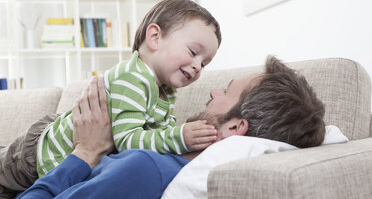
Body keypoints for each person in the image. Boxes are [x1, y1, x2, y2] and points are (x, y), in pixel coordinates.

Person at [0, 0, 222, 198]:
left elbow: (157, 136)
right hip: (37, 154)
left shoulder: (166, 90)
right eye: (193, 52)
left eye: (204, 63)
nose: (197, 66)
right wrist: (180, 136)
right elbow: (128, 141)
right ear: (155, 37)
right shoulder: (133, 77)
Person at [16, 55, 326, 198]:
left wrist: (85, 152)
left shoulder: (145, 168)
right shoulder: (163, 154)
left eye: (226, 91)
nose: (212, 92)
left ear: (234, 128)